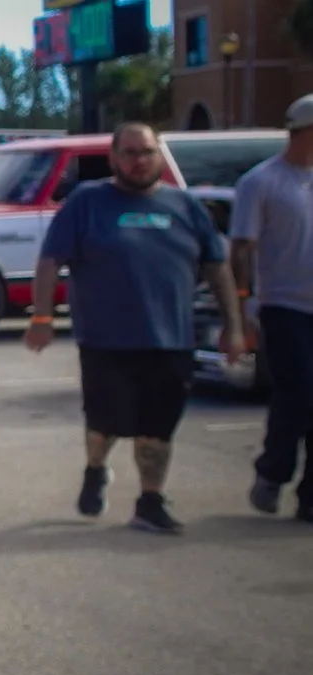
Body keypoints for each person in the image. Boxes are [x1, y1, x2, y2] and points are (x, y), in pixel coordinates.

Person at [26, 123, 240, 533]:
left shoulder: (186, 206)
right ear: (113, 158)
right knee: (105, 423)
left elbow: (217, 267)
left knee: (157, 427)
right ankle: (96, 468)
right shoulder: (87, 202)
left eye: (147, 152)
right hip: (106, 339)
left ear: (159, 155)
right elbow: (51, 260)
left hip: (171, 338)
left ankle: (150, 500)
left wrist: (234, 326)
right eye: (129, 153)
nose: (139, 161)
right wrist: (41, 318)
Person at [230, 94, 313, 518]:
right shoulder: (261, 182)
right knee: (297, 395)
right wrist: (243, 306)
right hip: (283, 306)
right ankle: (273, 472)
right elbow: (242, 248)